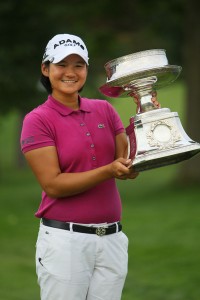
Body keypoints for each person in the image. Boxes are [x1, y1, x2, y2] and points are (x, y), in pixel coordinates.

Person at [20, 33, 140, 300]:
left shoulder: (104, 110)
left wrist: (143, 111)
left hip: (112, 239)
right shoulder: (38, 120)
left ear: (86, 69)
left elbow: (127, 158)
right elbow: (53, 184)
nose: (70, 72)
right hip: (66, 242)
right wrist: (109, 170)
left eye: (78, 65)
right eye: (62, 64)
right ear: (46, 68)